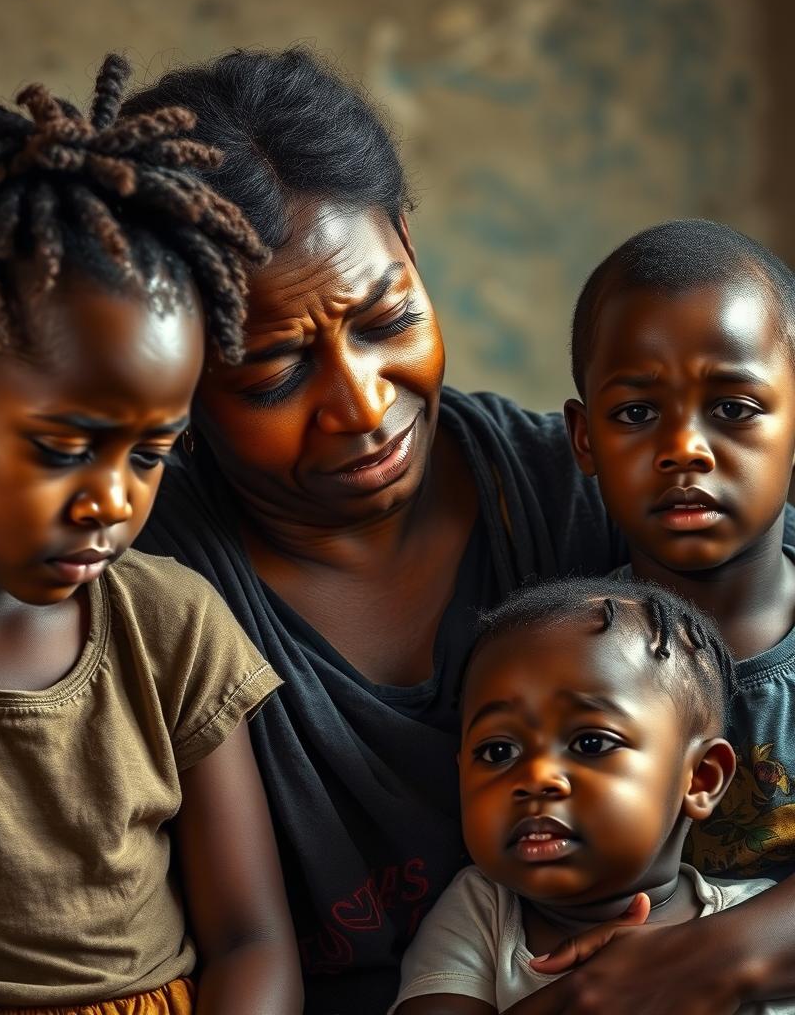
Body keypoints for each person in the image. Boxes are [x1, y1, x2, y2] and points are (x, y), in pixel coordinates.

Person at [124, 55, 795, 1015]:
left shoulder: (604, 495)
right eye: (273, 371)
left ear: (407, 242)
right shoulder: (149, 587)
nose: (361, 405)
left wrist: (700, 962)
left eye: (388, 317)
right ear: (175, 361)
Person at [0, 57, 302, 1014]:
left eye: (151, 455)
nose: (111, 499)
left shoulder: (170, 629)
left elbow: (253, 940)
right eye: (64, 448)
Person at [509, 217, 795, 1014]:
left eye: (734, 407)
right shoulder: (568, 652)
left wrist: (691, 961)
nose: (685, 448)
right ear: (584, 438)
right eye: (636, 415)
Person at [391, 577, 791, 1014]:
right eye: (498, 751)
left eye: (591, 744)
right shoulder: (481, 913)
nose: (537, 777)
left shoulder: (756, 924)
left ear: (700, 778)